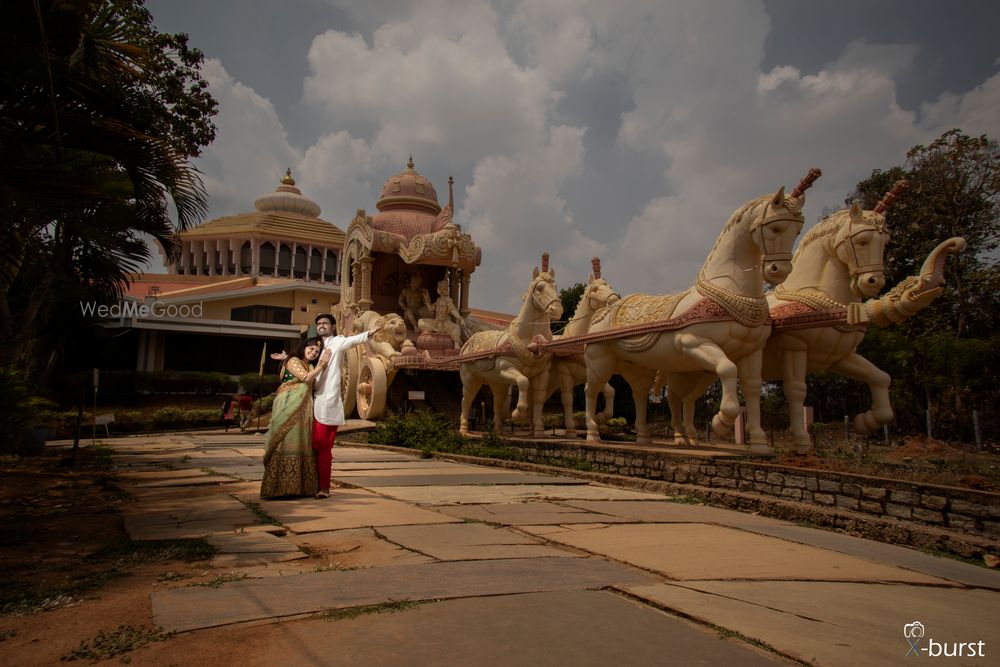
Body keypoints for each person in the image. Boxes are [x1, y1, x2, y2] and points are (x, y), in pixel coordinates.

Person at [312, 311, 383, 498]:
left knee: (323, 446)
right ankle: (309, 483)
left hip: (328, 402)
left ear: (333, 326)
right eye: (319, 323)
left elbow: (354, 340)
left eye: (325, 323)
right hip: (309, 401)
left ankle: (324, 487)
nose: (321, 326)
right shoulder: (313, 345)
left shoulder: (338, 342)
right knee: (310, 445)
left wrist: (369, 333)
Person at [260, 337, 326, 498]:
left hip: (303, 408)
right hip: (288, 404)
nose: (313, 352)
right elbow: (305, 378)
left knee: (301, 441)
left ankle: (301, 487)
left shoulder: (309, 365)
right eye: (311, 349)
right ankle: (280, 487)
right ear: (304, 347)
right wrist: (323, 364)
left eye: (317, 352)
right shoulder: (294, 360)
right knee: (285, 438)